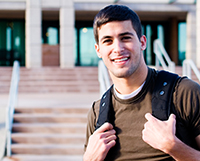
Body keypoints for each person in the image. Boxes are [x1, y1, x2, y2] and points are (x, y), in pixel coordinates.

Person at [83, 4, 200, 161]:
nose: (117, 48)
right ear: (98, 50)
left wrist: (174, 147)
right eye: (108, 41)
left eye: (125, 38)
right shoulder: (98, 113)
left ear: (143, 42)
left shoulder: (185, 93)